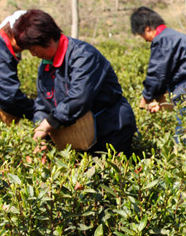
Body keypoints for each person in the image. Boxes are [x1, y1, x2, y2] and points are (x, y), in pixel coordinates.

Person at [12, 9, 137, 154]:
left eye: (33, 49)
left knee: (110, 172)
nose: (33, 54)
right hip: (78, 135)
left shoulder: (83, 56)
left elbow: (79, 97)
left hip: (110, 129)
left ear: (47, 39)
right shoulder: (45, 65)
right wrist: (41, 134)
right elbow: (42, 104)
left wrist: (49, 123)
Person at [129, 6, 186, 112]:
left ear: (147, 28)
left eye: (141, 35)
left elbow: (157, 74)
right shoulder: (179, 38)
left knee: (184, 127)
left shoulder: (162, 40)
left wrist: (146, 97)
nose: (145, 40)